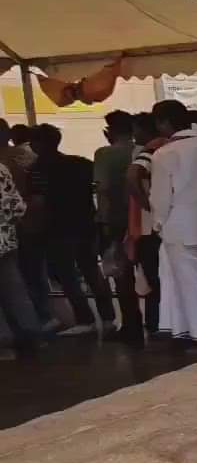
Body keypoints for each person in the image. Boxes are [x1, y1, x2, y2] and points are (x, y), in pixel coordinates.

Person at [29, 124, 119, 337]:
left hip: (58, 228)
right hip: (86, 224)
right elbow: (97, 187)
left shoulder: (37, 169)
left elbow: (38, 202)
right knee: (92, 271)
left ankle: (85, 319)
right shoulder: (81, 163)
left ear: (39, 144)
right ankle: (108, 318)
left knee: (68, 276)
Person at [151, 108, 197, 346]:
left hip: (181, 227)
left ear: (164, 123)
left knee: (193, 288)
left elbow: (161, 197)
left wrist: (158, 223)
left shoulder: (165, 153)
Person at [94, 110, 143, 345]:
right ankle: (154, 324)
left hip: (115, 220)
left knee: (122, 276)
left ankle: (131, 326)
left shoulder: (105, 154)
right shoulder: (141, 150)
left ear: (109, 131)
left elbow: (102, 188)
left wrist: (102, 220)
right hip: (142, 218)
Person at [0, 118, 53, 333]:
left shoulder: (8, 162)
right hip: (13, 234)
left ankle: (9, 336)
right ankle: (35, 327)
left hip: (16, 231)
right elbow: (18, 205)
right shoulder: (21, 159)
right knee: (23, 282)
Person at [125, 109, 172, 337]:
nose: (134, 135)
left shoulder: (152, 149)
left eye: (136, 130)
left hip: (149, 226)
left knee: (154, 278)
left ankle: (157, 325)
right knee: (159, 277)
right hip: (158, 224)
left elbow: (133, 173)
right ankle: (159, 324)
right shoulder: (165, 147)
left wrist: (146, 204)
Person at [0, 160, 43, 354]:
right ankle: (31, 335)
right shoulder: (2, 169)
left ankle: (4, 342)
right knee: (16, 290)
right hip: (7, 241)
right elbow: (18, 207)